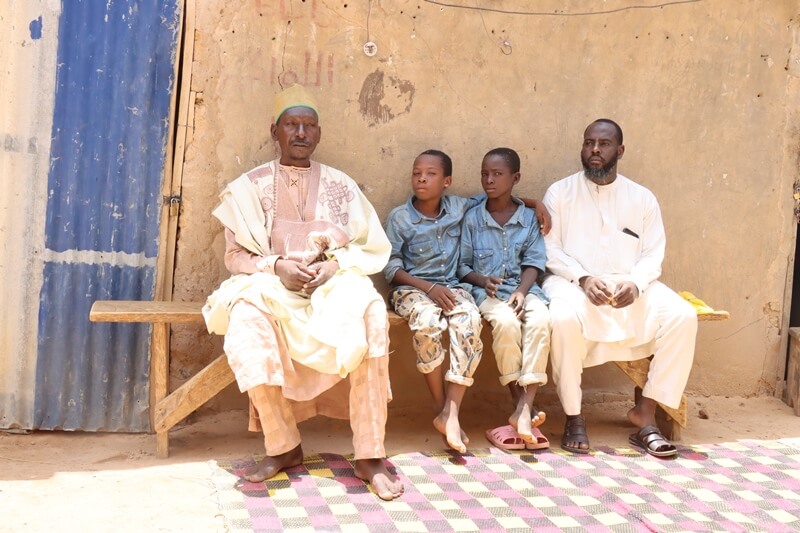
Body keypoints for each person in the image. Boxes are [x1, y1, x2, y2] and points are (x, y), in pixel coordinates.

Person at [202, 84, 403, 500]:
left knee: (371, 311)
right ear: (274, 130)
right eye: (291, 124)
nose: (300, 132)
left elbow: (370, 248)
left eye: (308, 125)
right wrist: (276, 266)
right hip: (272, 282)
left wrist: (333, 267)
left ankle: (369, 454)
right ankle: (284, 446)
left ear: (318, 133)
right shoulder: (248, 187)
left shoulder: (342, 186)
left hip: (332, 282)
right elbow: (235, 255)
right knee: (246, 320)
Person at [541, 119, 697, 457]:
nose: (595, 150)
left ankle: (647, 412)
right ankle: (573, 415)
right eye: (588, 143)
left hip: (629, 284)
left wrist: (637, 284)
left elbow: (654, 252)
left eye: (604, 144)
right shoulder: (560, 192)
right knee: (564, 318)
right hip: (571, 282)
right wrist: (582, 278)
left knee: (683, 316)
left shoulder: (641, 198)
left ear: (620, 151)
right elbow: (549, 248)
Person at [383, 150, 550, 454]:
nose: (422, 178)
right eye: (417, 172)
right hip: (414, 289)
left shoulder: (461, 206)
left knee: (468, 321)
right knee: (427, 323)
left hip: (454, 288)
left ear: (447, 181)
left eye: (431, 173)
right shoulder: (400, 217)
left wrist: (536, 204)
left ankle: (452, 410)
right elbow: (391, 268)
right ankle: (444, 411)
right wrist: (428, 288)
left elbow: (499, 197)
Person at [458, 148, 551, 451]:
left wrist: (522, 291)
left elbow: (535, 261)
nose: (489, 180)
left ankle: (525, 406)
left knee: (539, 320)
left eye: (497, 174)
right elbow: (463, 266)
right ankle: (519, 403)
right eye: (485, 173)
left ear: (516, 178)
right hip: (487, 294)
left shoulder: (527, 219)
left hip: (524, 289)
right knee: (507, 323)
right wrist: (483, 281)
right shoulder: (473, 217)